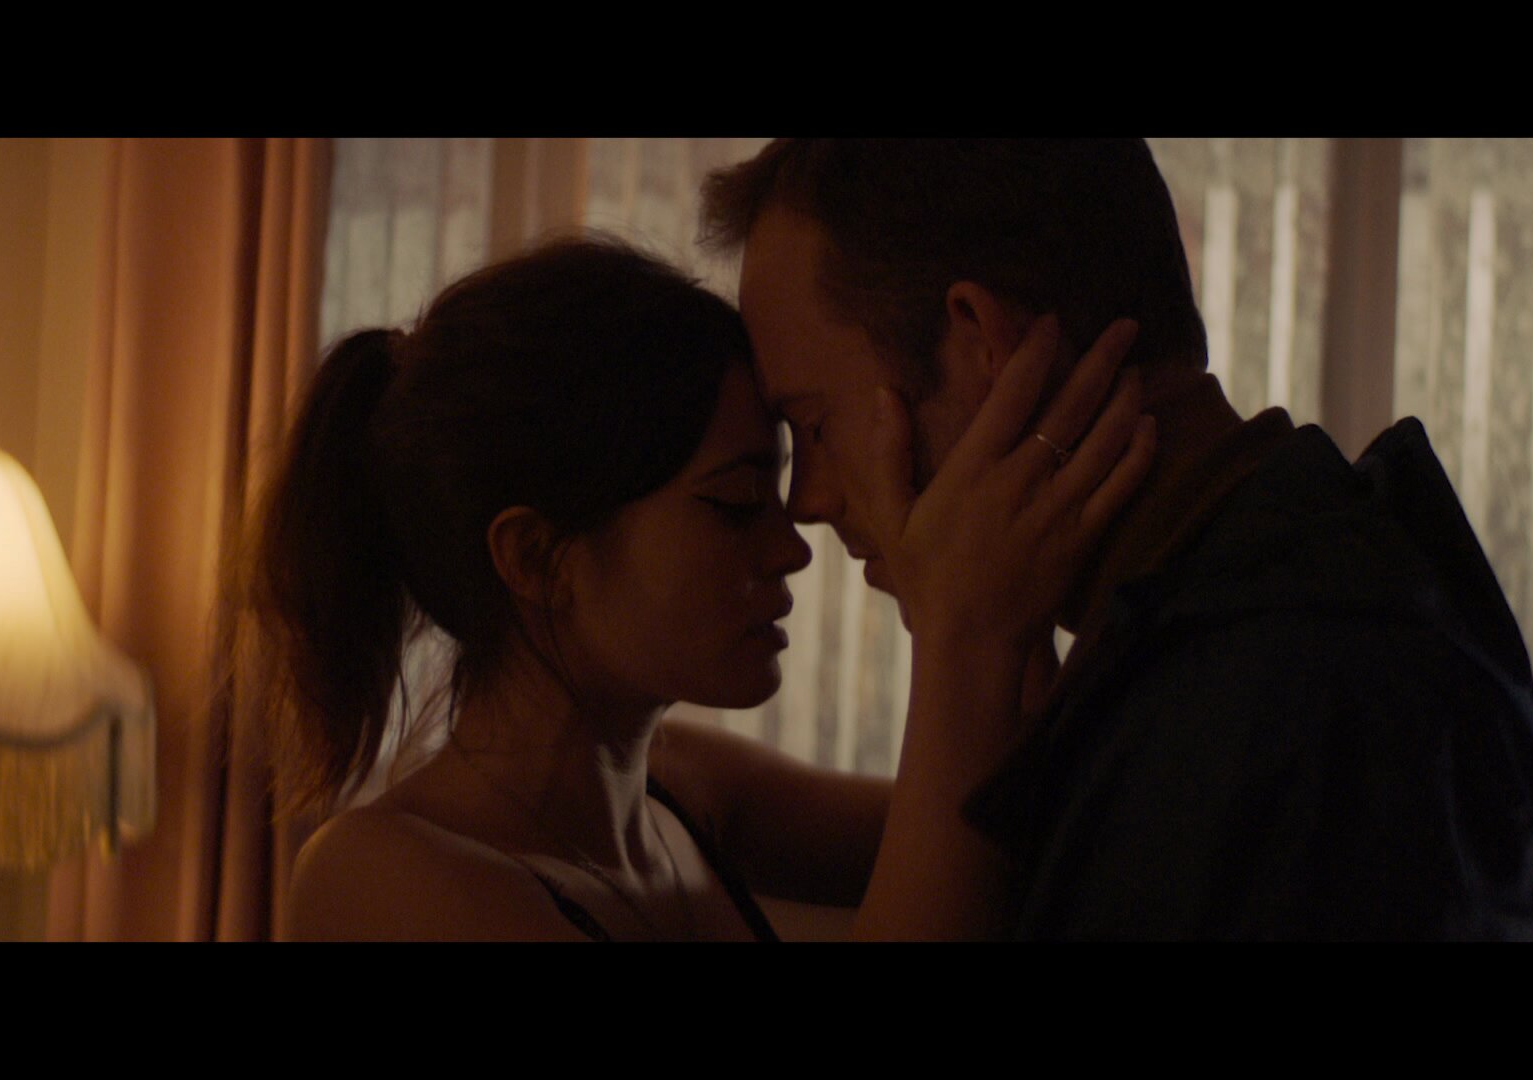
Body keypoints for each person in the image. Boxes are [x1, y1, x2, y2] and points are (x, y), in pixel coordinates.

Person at [702, 138, 1533, 940]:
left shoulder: (1262, 713)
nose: (808, 500)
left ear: (981, 343)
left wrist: (962, 647)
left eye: (813, 427)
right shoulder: (1331, 582)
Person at [260, 236, 1153, 940]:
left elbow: (1019, 836)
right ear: (535, 557)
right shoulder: (380, 879)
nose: (791, 549)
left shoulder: (684, 785)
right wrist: (960, 630)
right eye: (733, 504)